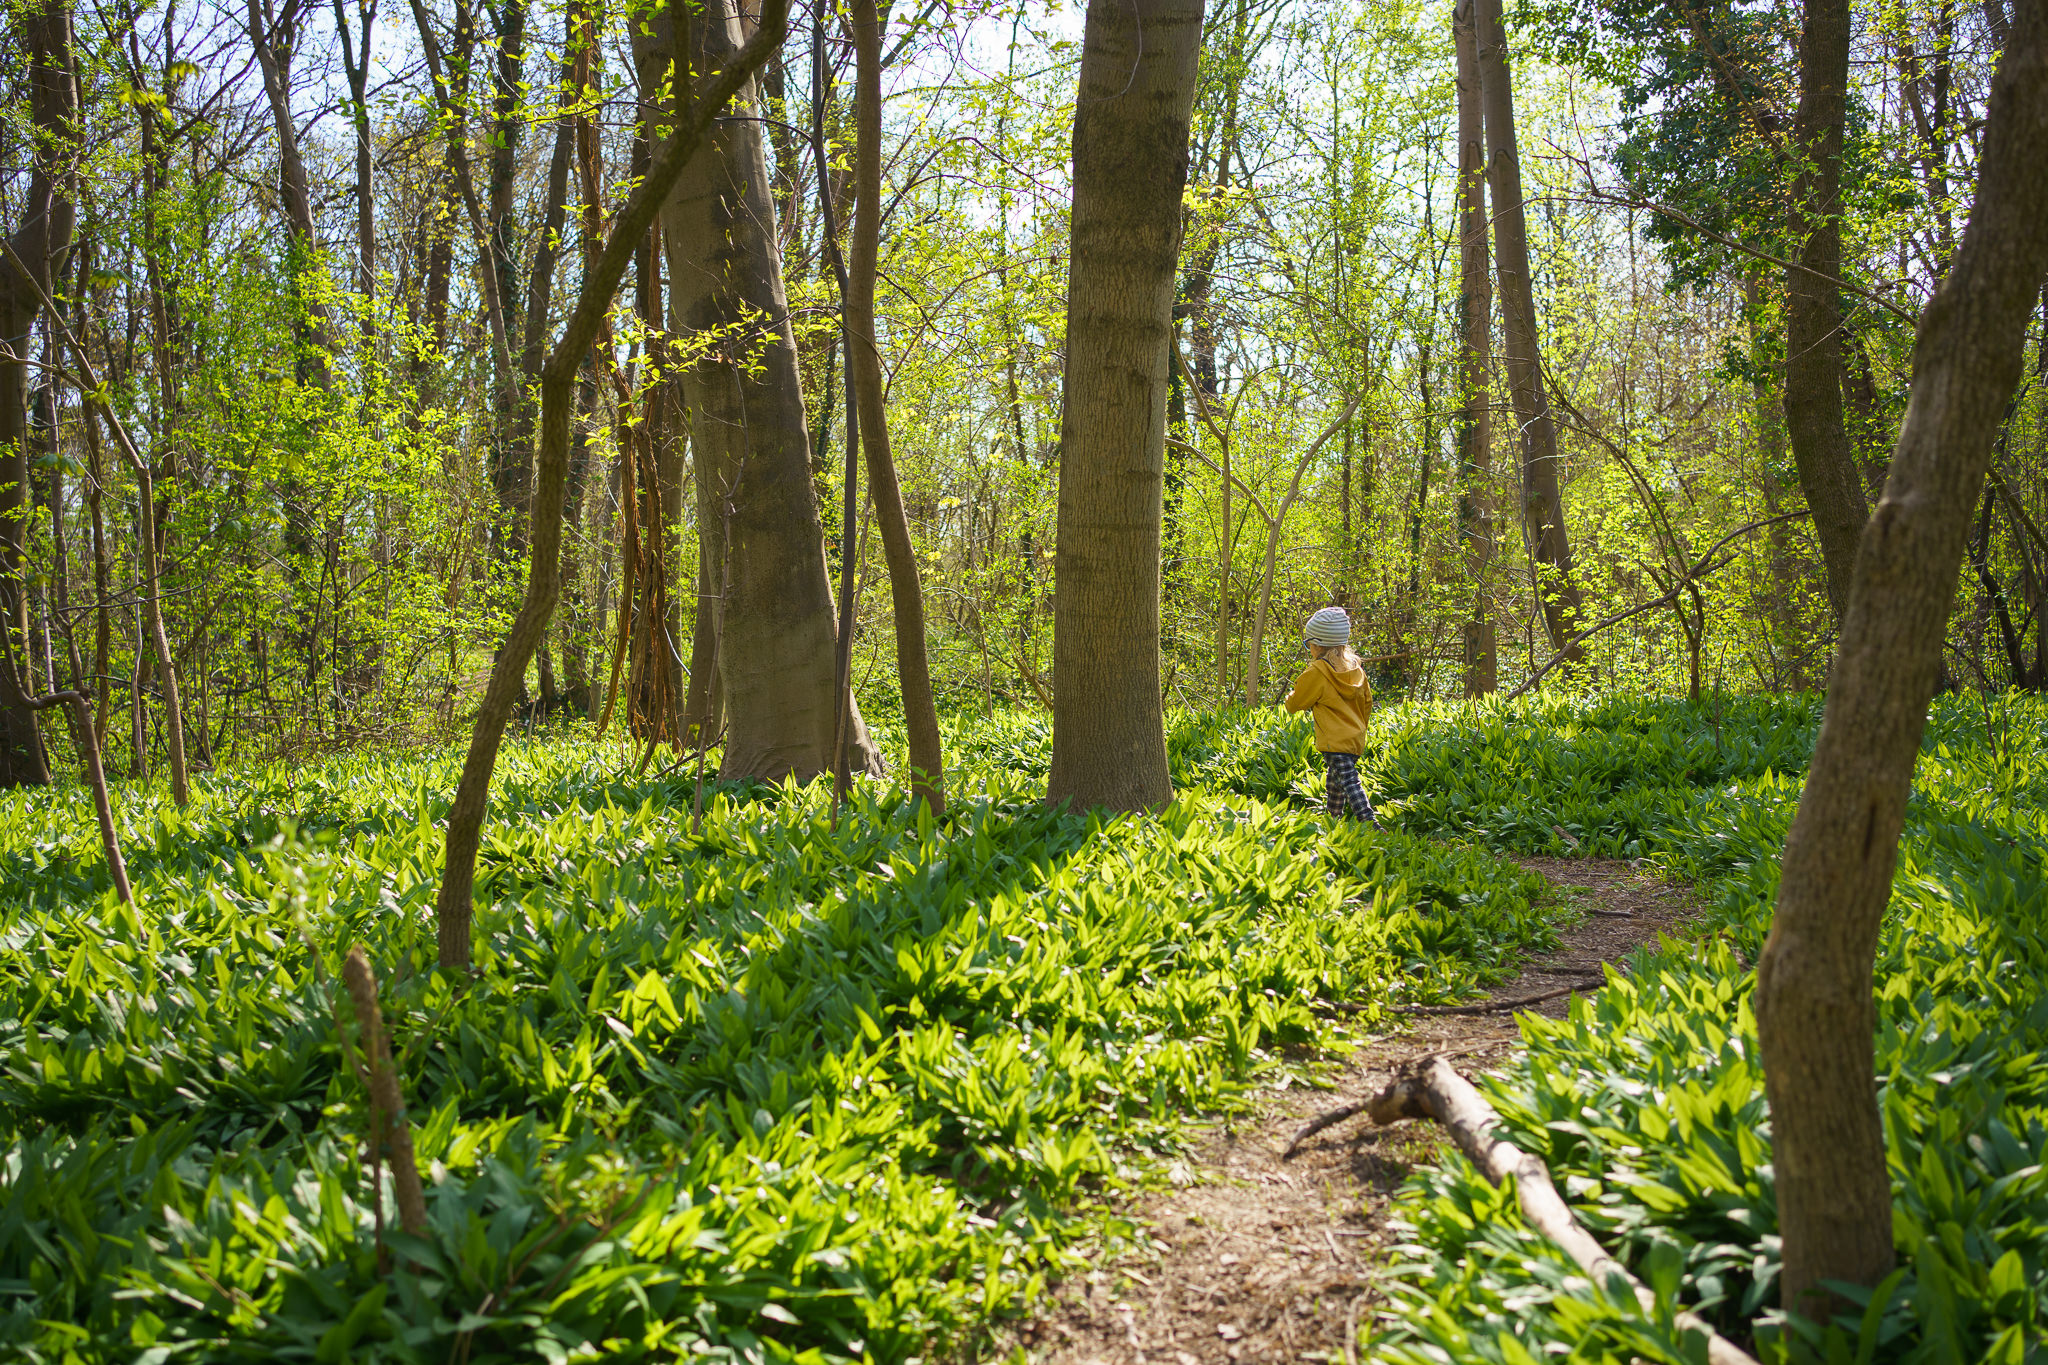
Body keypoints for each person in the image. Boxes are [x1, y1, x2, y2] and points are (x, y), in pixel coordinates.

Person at [1283, 606, 1378, 825]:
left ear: (1317, 645)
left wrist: (1290, 699)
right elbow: (1367, 704)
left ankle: (1369, 821)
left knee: (1349, 782)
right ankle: (1333, 818)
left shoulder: (1317, 672)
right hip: (1354, 738)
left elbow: (1297, 703)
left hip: (1333, 741)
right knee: (1335, 781)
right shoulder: (1356, 670)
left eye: (1309, 644)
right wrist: (1359, 728)